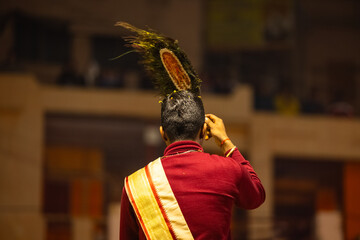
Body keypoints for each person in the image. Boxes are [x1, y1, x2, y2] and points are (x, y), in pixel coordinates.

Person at [119, 90, 265, 239]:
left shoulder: (135, 184)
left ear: (163, 133)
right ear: (203, 131)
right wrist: (225, 141)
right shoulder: (228, 169)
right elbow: (256, 196)